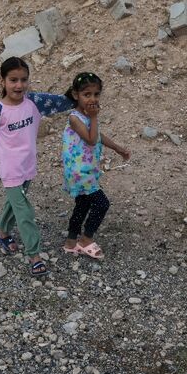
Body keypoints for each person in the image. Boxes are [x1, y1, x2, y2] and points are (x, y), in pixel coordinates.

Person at [0, 56, 74, 277]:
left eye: (23, 80)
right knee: (24, 211)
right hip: (10, 169)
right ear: (2, 81)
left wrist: (79, 92)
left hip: (28, 166)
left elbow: (61, 102)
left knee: (15, 202)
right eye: (13, 80)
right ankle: (34, 256)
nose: (19, 85)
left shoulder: (34, 102)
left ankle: (2, 232)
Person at [61, 72, 130, 259]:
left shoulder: (85, 117)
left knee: (82, 205)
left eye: (96, 94)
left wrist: (117, 148)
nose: (92, 99)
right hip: (80, 172)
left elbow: (97, 135)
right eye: (87, 94)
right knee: (102, 203)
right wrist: (93, 116)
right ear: (76, 95)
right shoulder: (75, 118)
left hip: (85, 169)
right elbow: (91, 140)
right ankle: (86, 239)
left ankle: (70, 242)